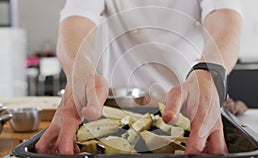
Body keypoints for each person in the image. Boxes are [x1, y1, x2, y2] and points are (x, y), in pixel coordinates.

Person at [35, 0, 242, 155]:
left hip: (190, 113)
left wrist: (209, 74)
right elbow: (76, 20)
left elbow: (226, 20)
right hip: (112, 116)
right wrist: (77, 70)